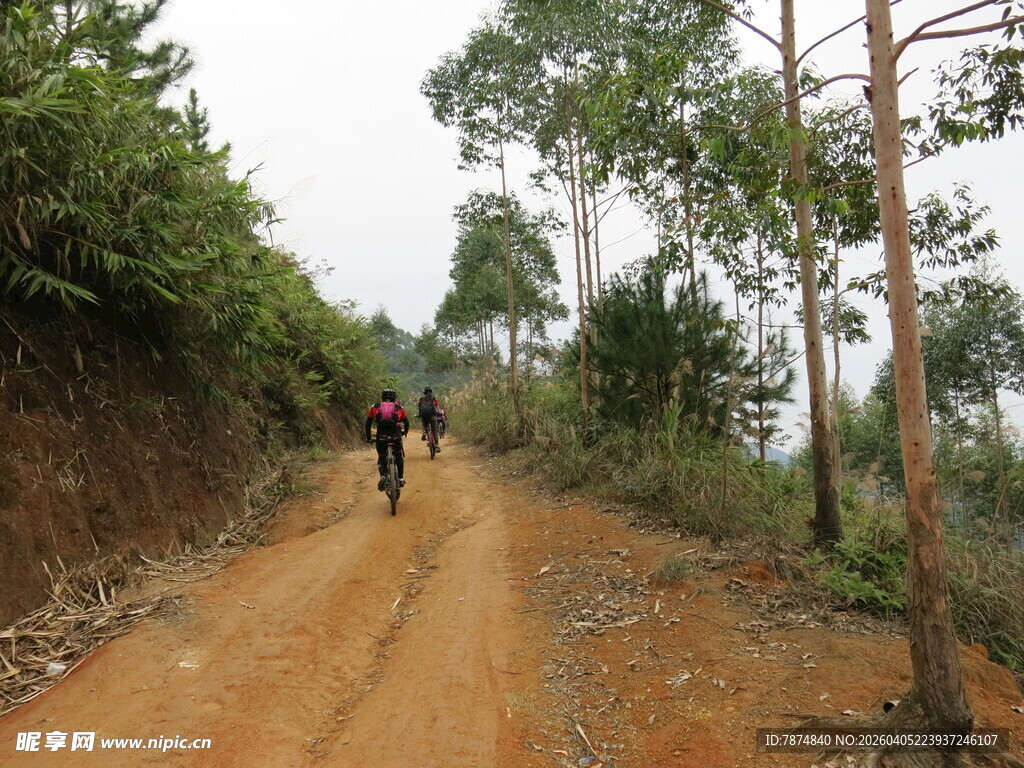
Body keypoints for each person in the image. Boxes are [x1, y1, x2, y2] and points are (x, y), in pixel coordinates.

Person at [365, 388, 409, 490]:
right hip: (395, 437)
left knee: (381, 457)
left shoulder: (375, 407)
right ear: (395, 398)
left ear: (382, 397)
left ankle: (383, 476)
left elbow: (367, 425)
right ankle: (401, 479)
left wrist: (368, 438)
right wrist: (405, 432)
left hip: (381, 438)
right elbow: (406, 423)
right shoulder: (399, 407)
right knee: (398, 454)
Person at [417, 386, 442, 452]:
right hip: (432, 416)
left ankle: (424, 432)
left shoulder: (421, 399)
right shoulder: (434, 398)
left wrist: (419, 414)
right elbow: (437, 407)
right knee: (434, 429)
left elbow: (419, 407)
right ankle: (436, 445)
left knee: (424, 424)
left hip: (424, 416)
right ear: (431, 392)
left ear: (424, 393)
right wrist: (438, 412)